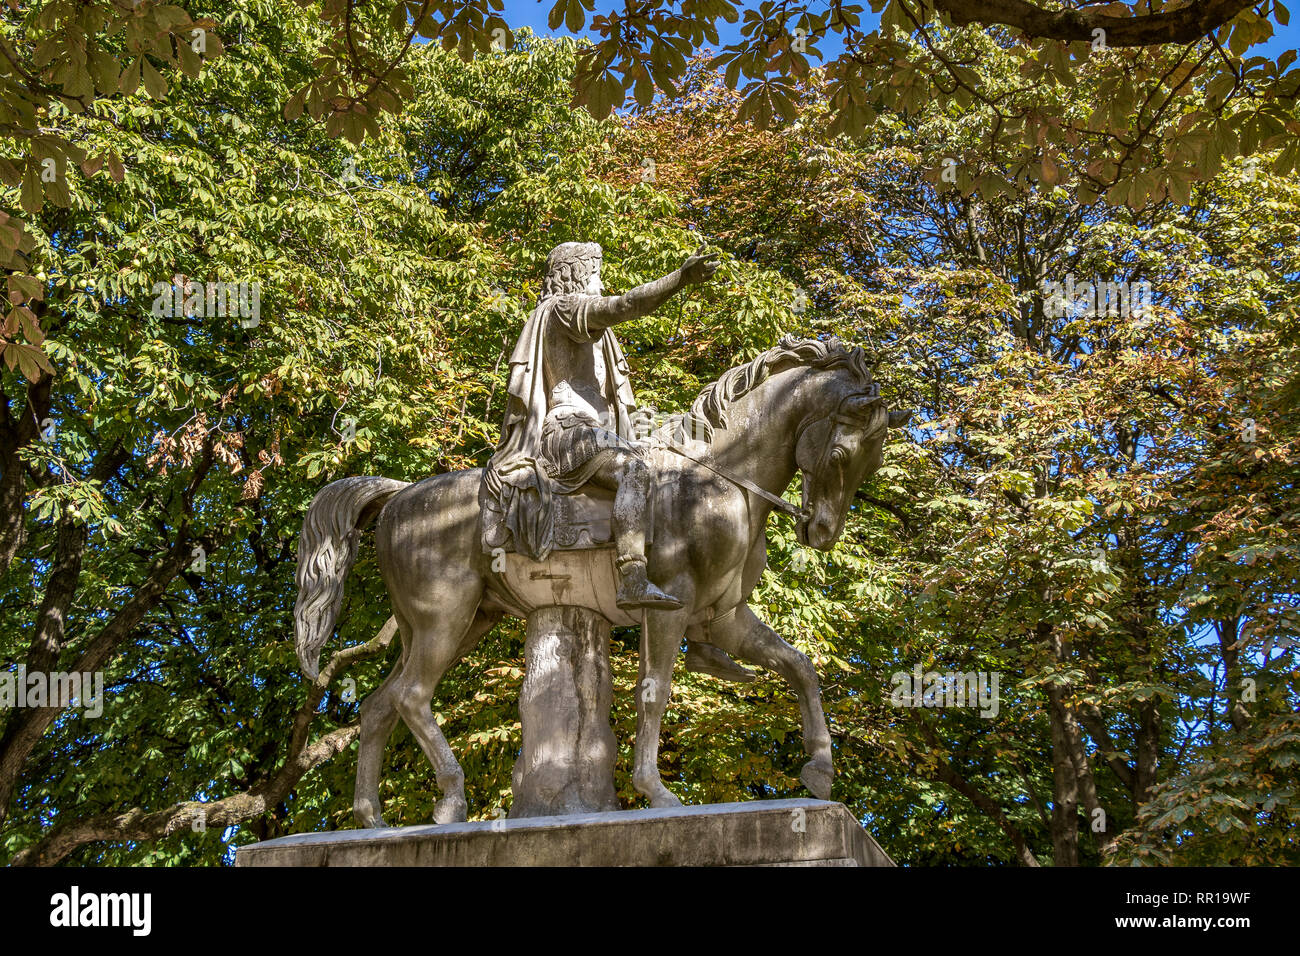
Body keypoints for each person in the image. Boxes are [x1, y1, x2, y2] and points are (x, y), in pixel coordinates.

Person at [481, 240, 718, 611]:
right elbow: (624, 305)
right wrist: (680, 279)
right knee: (634, 470)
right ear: (575, 274)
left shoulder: (585, 325)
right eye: (596, 274)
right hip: (567, 431)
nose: (602, 284)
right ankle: (632, 577)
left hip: (596, 431)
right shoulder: (564, 309)